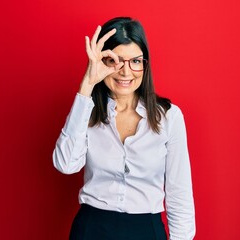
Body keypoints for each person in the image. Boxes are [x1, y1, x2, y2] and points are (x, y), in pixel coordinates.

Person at [53, 17, 195, 240]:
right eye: (115, 61)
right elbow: (66, 164)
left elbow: (180, 195)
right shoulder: (87, 112)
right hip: (91, 229)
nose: (126, 72)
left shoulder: (169, 117)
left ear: (145, 64)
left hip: (146, 230)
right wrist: (87, 85)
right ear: (102, 62)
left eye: (136, 61)